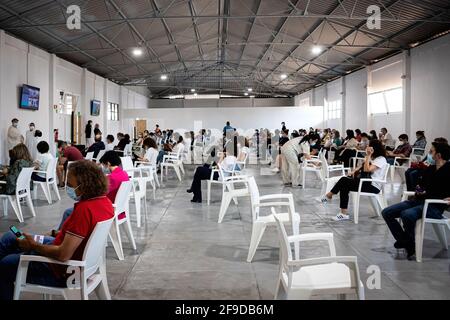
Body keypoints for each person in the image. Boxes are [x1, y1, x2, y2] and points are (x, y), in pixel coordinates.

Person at [0, 160, 114, 300]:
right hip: (72, 257)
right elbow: (83, 234)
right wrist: (55, 234)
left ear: (84, 186)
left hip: (62, 271)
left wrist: (33, 246)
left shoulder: (84, 211)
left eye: (71, 185)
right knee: (11, 237)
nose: (68, 188)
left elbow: (63, 255)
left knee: (5, 264)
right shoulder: (105, 203)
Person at [382, 142, 450, 259]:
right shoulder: (431, 169)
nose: (429, 153)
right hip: (418, 201)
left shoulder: (449, 170)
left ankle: (409, 242)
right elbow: (421, 184)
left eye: (431, 151)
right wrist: (419, 189)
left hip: (434, 206)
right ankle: (407, 241)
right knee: (387, 212)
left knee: (407, 214)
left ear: (438, 155)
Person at [318, 139, 388, 222]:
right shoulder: (374, 158)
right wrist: (353, 172)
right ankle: (342, 213)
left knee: (344, 181)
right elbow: (361, 166)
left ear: (374, 148)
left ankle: (329, 196)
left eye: (369, 146)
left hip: (373, 186)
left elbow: (367, 169)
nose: (367, 147)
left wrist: (368, 155)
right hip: (365, 182)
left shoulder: (381, 159)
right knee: (344, 184)